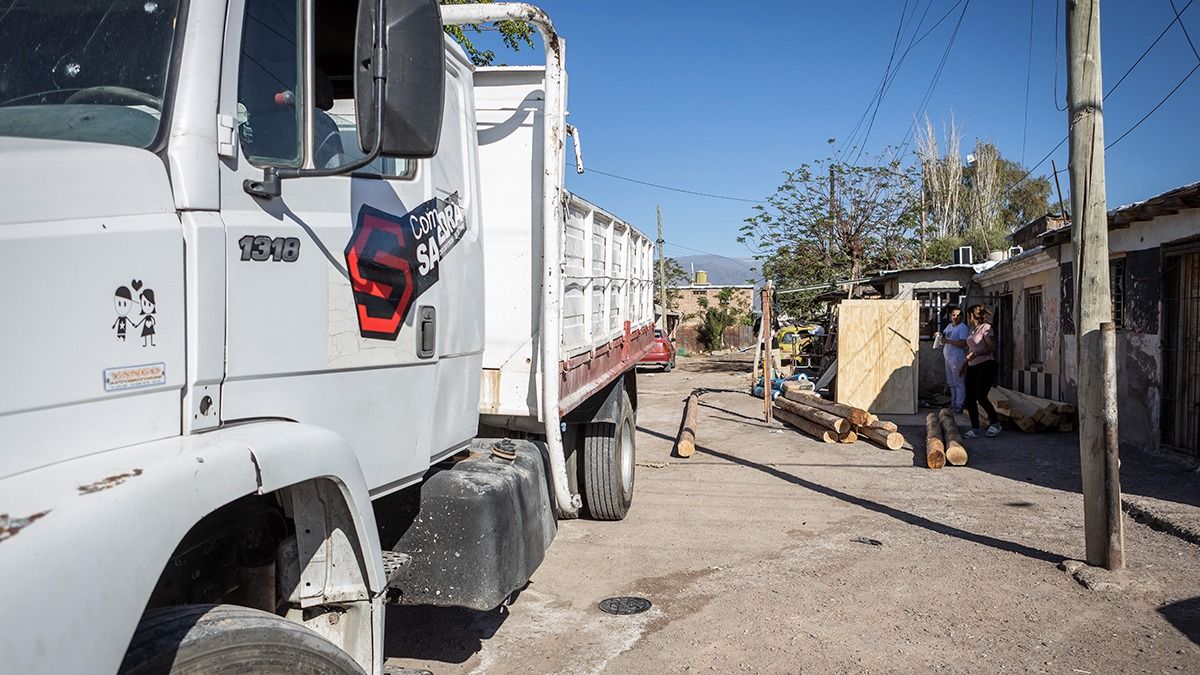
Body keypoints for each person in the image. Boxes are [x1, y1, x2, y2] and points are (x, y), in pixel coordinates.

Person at [959, 304, 1001, 438]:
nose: (967, 318)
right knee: (970, 398)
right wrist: (964, 364)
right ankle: (975, 428)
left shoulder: (986, 328)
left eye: (968, 315)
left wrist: (977, 354)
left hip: (986, 365)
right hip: (972, 366)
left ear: (972, 315)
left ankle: (995, 423)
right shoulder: (973, 330)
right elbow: (971, 350)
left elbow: (992, 348)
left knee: (981, 396)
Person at [940, 307, 969, 413]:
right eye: (953, 315)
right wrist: (938, 336)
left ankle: (959, 404)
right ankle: (953, 402)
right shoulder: (949, 326)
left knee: (958, 382)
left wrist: (948, 341)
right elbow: (944, 335)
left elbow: (963, 343)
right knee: (951, 382)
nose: (955, 317)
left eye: (958, 315)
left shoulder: (962, 328)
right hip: (948, 357)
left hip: (957, 357)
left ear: (961, 316)